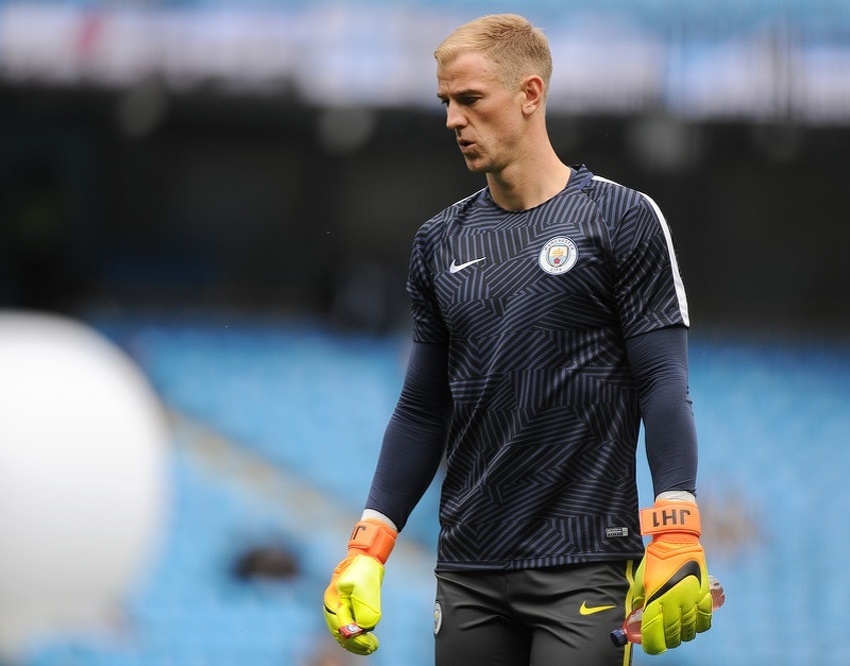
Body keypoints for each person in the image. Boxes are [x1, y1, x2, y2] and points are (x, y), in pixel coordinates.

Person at [323, 13, 713, 665]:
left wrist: (677, 525)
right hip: (469, 569)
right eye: (446, 102)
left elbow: (662, 382)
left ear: (530, 95)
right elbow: (422, 408)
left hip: (584, 565)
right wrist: (369, 546)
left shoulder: (621, 218)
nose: (453, 119)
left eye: (470, 99)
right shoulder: (438, 243)